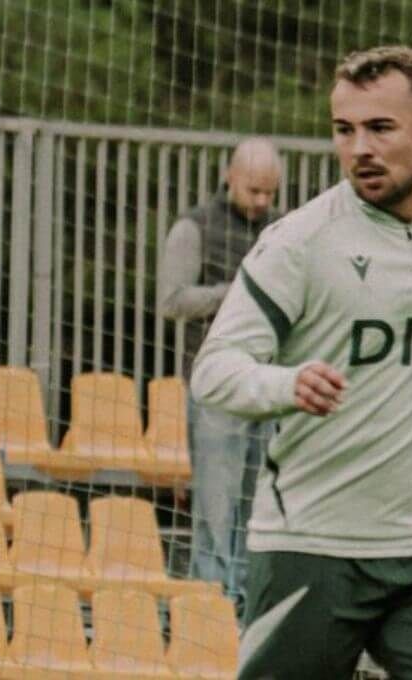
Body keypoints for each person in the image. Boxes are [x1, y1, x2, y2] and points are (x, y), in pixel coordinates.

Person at [190, 45, 412, 679]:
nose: (359, 149)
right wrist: (285, 382)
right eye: (343, 130)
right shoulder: (299, 240)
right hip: (309, 548)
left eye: (380, 128)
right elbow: (215, 369)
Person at [158, 137, 284, 616]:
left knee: (257, 506)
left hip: (269, 389)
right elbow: (172, 301)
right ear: (230, 177)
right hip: (214, 389)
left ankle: (250, 607)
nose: (261, 202)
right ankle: (208, 608)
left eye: (270, 193)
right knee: (216, 505)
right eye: (254, 191)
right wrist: (234, 294)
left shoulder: (280, 229)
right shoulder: (193, 227)